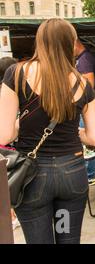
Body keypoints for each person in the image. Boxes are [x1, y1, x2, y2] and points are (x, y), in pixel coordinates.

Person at [0, 18, 95, 244]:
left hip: (32, 178)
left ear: (40, 41)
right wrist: (74, 133)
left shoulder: (16, 74)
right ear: (70, 43)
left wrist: (23, 124)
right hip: (72, 176)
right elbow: (94, 138)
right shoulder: (82, 83)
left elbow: (4, 135)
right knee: (67, 239)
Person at [74, 38, 95, 185]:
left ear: (75, 44)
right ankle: (93, 171)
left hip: (85, 107)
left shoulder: (84, 60)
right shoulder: (85, 58)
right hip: (87, 106)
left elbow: (89, 84)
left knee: (88, 138)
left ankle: (90, 173)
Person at [0, 57, 20, 231]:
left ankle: (11, 215)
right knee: (11, 184)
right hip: (13, 148)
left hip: (5, 148)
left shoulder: (5, 92)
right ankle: (12, 215)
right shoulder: (16, 93)